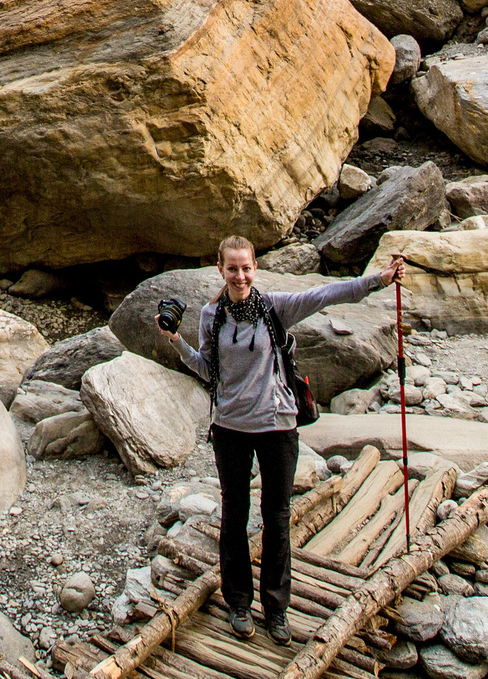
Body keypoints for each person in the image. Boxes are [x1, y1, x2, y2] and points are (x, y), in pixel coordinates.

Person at [157, 235, 397, 645]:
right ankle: (238, 603)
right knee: (234, 517)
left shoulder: (275, 309)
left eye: (246, 267)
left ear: (255, 268)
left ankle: (277, 609)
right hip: (231, 428)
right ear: (221, 270)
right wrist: (176, 341)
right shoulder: (211, 314)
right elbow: (207, 369)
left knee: (277, 518)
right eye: (232, 268)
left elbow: (325, 294)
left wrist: (378, 279)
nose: (240, 275)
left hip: (277, 426)